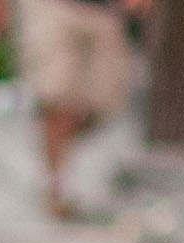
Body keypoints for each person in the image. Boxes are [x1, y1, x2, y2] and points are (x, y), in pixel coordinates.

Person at [15, 0, 129, 223]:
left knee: (105, 104)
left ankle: (56, 156)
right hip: (54, 8)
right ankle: (59, 183)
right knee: (60, 99)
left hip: (106, 12)